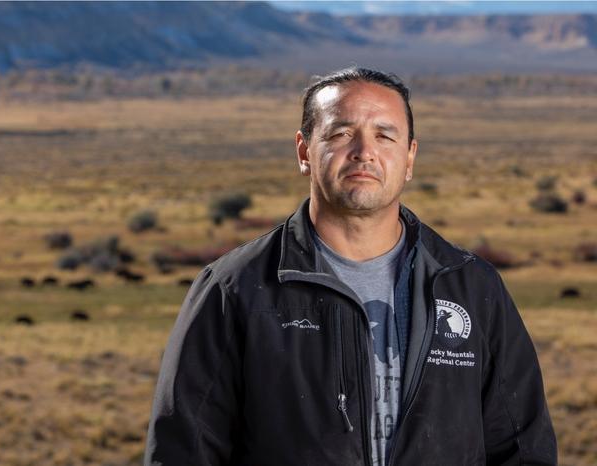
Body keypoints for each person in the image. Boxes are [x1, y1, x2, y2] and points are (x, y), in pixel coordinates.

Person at [144, 67, 557, 465]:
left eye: (385, 136)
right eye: (342, 134)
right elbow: (184, 452)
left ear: (409, 157)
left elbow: (523, 450)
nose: (364, 153)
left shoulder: (470, 288)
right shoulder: (234, 289)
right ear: (304, 151)